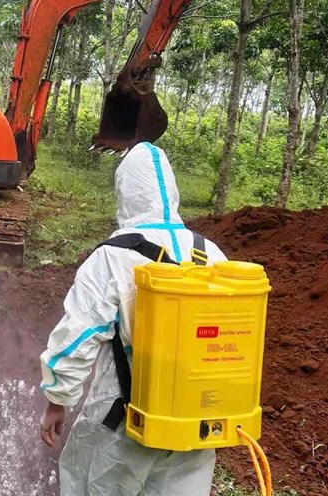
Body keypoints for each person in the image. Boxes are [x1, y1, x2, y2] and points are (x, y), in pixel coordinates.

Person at [39, 142, 227, 496]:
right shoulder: (212, 253)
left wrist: (57, 401)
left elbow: (79, 336)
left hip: (123, 420)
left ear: (124, 191)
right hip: (195, 422)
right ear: (172, 191)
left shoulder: (114, 255)